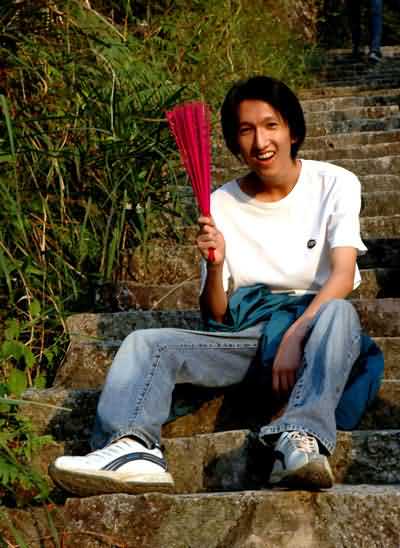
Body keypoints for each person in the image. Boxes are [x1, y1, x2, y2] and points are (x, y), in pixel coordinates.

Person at [49, 76, 382, 496]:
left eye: (271, 125)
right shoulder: (220, 202)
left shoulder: (336, 182)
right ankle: (133, 447)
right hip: (249, 336)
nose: (260, 141)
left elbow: (342, 275)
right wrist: (216, 262)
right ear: (234, 141)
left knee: (339, 311)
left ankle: (300, 439)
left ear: (293, 131)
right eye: (246, 130)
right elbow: (218, 314)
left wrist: (295, 336)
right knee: (145, 342)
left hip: (320, 332)